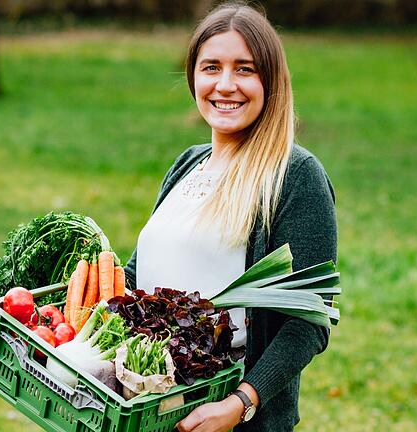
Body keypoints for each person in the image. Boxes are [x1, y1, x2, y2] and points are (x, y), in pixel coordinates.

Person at [123, 2, 337, 431]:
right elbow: (137, 278)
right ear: (193, 77)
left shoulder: (295, 175)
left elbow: (309, 321)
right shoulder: (187, 164)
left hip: (224, 419)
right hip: (148, 405)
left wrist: (241, 403)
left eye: (244, 69)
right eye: (211, 67)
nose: (225, 85)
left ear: (270, 81)